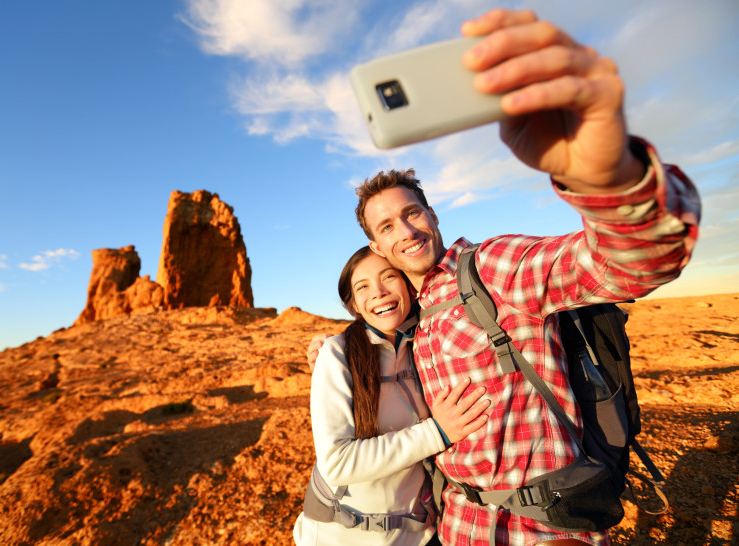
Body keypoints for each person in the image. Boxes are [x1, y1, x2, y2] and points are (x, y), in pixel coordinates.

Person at [308, 8, 702, 546]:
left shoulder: (493, 269)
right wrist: (335, 348)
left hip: (546, 527)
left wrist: (609, 178)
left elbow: (626, 263)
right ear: (377, 246)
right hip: (458, 527)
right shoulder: (412, 319)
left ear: (434, 214)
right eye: (387, 227)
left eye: (412, 213)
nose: (406, 231)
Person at [294, 246, 492, 546]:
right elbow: (337, 462)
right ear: (354, 306)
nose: (378, 292)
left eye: (389, 277)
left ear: (410, 288)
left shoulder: (424, 346)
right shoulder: (337, 354)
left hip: (421, 535)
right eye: (363, 287)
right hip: (343, 538)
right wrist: (437, 432)